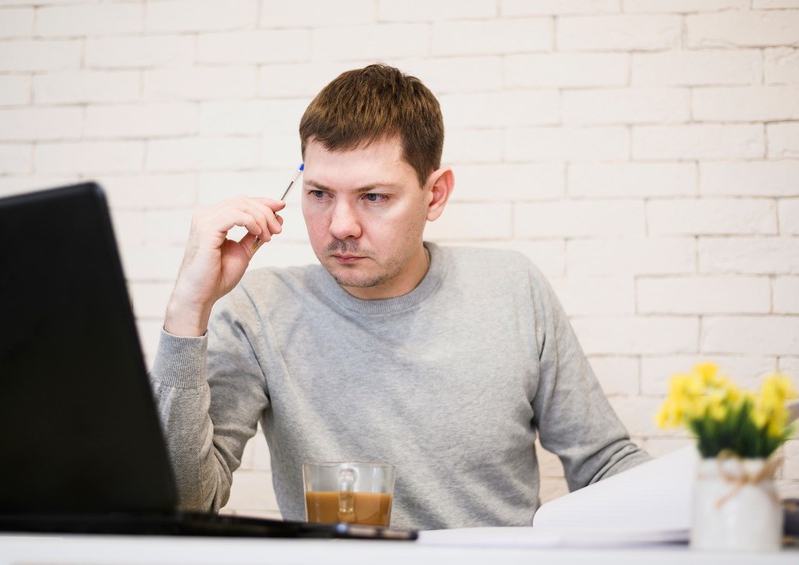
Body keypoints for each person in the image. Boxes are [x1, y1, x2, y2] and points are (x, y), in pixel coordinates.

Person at [150, 63, 650, 531]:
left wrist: (702, 502)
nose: (340, 226)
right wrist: (187, 311)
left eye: (374, 197)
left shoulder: (514, 288)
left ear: (435, 195)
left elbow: (605, 462)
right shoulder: (259, 309)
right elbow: (184, 504)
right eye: (319, 193)